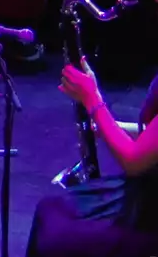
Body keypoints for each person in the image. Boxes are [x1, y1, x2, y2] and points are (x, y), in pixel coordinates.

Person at [25, 61, 158, 256]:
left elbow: (134, 161)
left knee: (54, 229)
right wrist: (110, 125)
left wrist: (92, 100)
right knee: (52, 208)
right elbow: (150, 138)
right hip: (145, 194)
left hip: (150, 216)